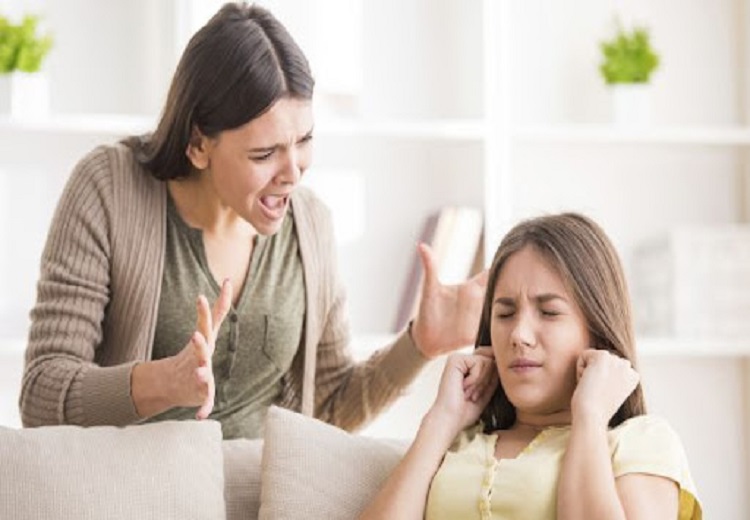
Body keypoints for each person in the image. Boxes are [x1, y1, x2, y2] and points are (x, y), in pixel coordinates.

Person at [19, 2, 486, 439]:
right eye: (264, 154)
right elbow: (41, 395)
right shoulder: (109, 189)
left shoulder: (310, 226)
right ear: (198, 144)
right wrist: (165, 382)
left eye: (303, 140)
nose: (294, 172)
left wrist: (419, 344)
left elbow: (327, 410)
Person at [361, 213, 702, 519]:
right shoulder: (456, 443)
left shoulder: (640, 442)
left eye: (549, 312)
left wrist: (589, 416)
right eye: (505, 314)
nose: (519, 335)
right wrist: (440, 421)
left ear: (597, 330)